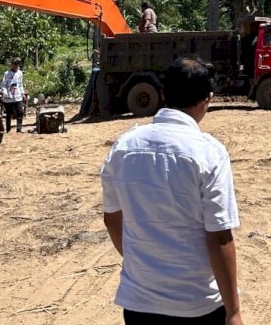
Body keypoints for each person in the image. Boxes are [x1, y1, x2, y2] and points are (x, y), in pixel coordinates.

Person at [100, 57, 243, 325]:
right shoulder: (209, 152)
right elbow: (220, 236)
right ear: (207, 100)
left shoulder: (123, 147)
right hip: (197, 304)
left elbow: (112, 219)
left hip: (139, 303)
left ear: (164, 94)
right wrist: (233, 311)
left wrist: (145, 266)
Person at [0, 58, 26, 133]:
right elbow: (3, 84)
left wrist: (22, 93)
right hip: (9, 97)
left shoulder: (20, 73)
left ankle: (19, 129)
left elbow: (20, 84)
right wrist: (4, 92)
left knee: (20, 112)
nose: (16, 65)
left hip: (17, 97)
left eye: (17, 64)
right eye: (15, 64)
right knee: (9, 114)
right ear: (12, 64)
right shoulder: (6, 73)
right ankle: (8, 129)